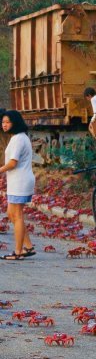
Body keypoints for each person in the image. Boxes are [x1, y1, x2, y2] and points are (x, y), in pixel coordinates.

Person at [0, 110, 36, 260]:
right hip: (16, 180)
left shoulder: (18, 139)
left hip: (20, 180)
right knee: (11, 213)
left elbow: (13, 163)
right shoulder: (18, 137)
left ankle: (18, 251)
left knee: (18, 215)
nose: (4, 125)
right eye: (3, 122)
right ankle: (28, 246)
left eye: (7, 122)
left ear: (15, 122)